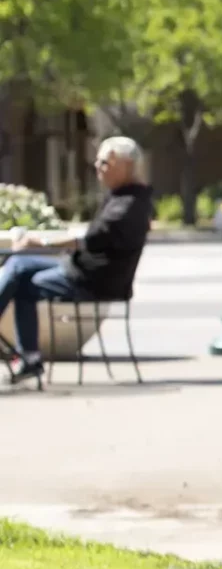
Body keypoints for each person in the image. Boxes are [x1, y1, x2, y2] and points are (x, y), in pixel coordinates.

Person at [4, 136, 153, 384]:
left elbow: (90, 239)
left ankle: (29, 359)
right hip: (80, 268)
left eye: (104, 163)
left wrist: (39, 242)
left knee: (22, 280)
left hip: (92, 280)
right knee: (20, 265)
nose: (97, 167)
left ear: (125, 166)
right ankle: (29, 359)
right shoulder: (125, 197)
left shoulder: (129, 204)